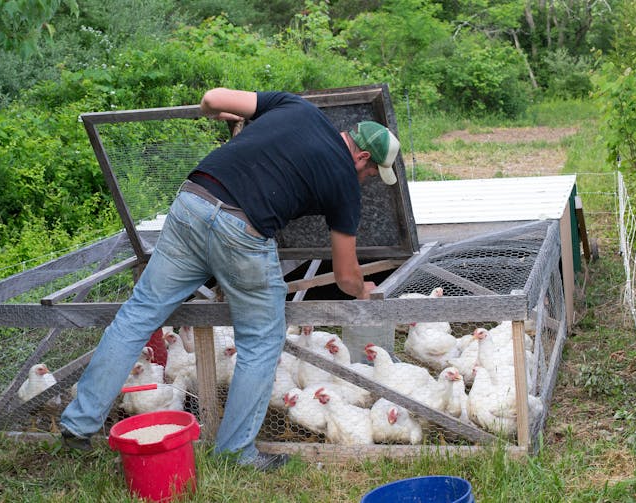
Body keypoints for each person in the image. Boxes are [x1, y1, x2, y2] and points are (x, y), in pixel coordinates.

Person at [59, 88, 401, 470]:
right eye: (372, 172)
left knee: (137, 315)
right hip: (243, 229)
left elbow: (213, 97)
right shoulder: (345, 181)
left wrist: (215, 113)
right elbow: (345, 274)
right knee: (260, 342)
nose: (368, 179)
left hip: (192, 201)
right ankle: (236, 453)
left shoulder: (296, 106)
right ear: (362, 155)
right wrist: (365, 291)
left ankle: (78, 423)